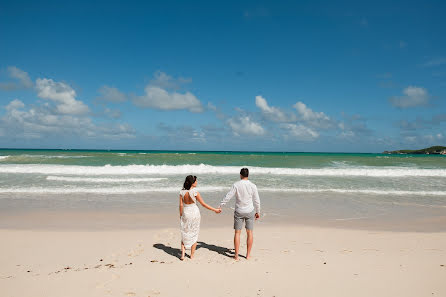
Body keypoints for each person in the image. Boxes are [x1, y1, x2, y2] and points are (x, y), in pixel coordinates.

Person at [219, 168, 260, 260]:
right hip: (250, 211)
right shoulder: (253, 185)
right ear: (248, 175)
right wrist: (258, 211)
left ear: (240, 175)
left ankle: (236, 255)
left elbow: (228, 195)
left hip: (239, 211)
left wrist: (221, 204)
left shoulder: (236, 185)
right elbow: (257, 200)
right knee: (250, 233)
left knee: (237, 233)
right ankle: (248, 255)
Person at [179, 175, 221, 260]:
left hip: (186, 213)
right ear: (192, 183)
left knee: (185, 232)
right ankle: (192, 255)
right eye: (196, 181)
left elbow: (180, 205)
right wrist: (215, 210)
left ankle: (183, 255)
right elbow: (203, 204)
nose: (197, 183)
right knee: (194, 233)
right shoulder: (195, 192)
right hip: (194, 213)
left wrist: (181, 215)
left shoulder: (181, 192)